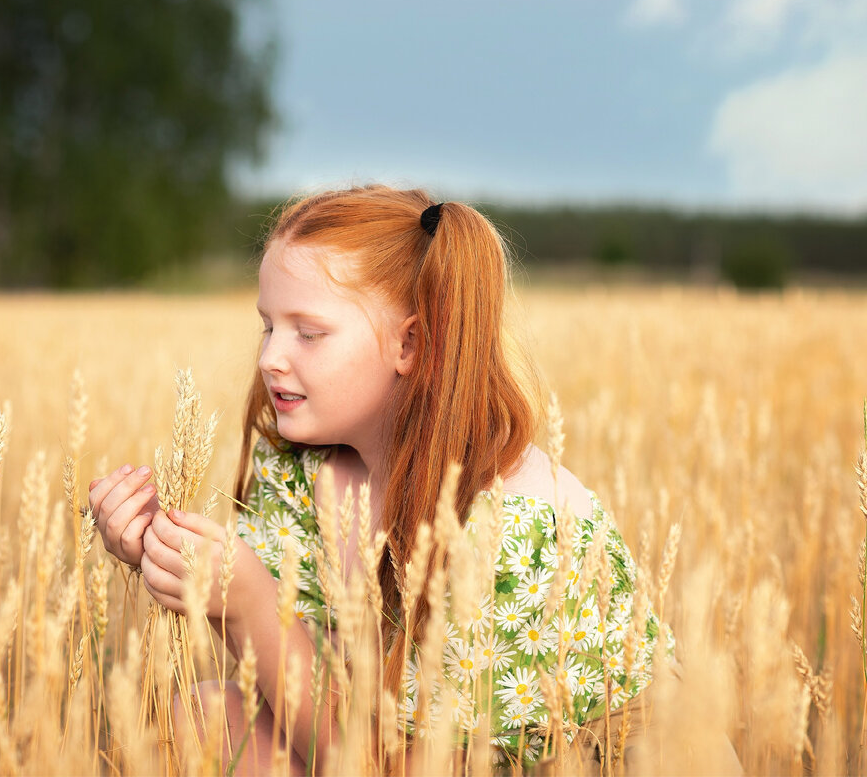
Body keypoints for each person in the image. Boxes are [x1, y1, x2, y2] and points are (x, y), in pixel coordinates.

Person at [88, 185, 676, 773]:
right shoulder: (300, 468)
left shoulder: (506, 531)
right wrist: (164, 550)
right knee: (205, 716)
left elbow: (382, 765)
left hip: (575, 760)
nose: (269, 358)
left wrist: (250, 607)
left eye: (309, 333)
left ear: (409, 344)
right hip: (377, 741)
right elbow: (303, 683)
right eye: (268, 326)